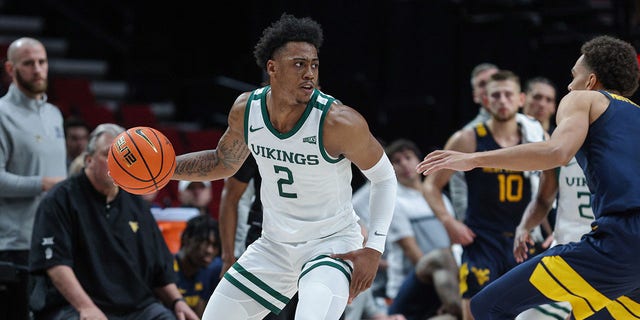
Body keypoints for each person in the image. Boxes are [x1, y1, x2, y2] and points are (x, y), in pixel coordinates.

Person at [171, 13, 397, 320]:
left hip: (331, 246)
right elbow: (222, 162)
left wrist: (374, 248)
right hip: (274, 246)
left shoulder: (338, 122)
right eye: (299, 64)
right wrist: (164, 170)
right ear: (273, 69)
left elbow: (384, 178)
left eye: (314, 64)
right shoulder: (246, 110)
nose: (309, 74)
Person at [416, 35, 640, 320]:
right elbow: (547, 192)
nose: (569, 86)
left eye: (574, 77)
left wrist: (474, 160)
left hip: (618, 244)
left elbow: (556, 151)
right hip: (624, 258)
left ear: (591, 81)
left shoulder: (583, 99)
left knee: (486, 308)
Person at [28, 123, 198, 320]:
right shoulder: (60, 198)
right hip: (76, 305)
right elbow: (56, 265)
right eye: (108, 154)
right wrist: (86, 307)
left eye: (123, 155)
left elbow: (159, 269)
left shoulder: (137, 203)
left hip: (137, 309)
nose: (117, 161)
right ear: (88, 159)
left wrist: (178, 302)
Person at [421, 70, 546, 320]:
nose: (502, 100)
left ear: (521, 99)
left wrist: (554, 227)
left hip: (523, 239)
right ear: (485, 101)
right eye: (495, 95)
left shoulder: (535, 137)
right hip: (482, 240)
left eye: (508, 94)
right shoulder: (467, 139)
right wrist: (448, 221)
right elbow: (431, 185)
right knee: (475, 313)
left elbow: (548, 189)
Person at [0, 37, 67, 320]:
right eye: (28, 63)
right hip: (15, 245)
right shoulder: (2, 113)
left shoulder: (54, 114)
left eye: (42, 62)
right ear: (11, 69)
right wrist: (44, 184)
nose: (38, 69)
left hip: (56, 241)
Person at [218, 154, 298, 320]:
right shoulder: (257, 137)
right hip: (268, 241)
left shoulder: (327, 134)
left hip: (316, 241)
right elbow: (230, 196)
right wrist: (228, 257)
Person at [449, 63, 500, 222]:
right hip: (484, 225)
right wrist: (466, 223)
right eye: (482, 84)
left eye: (494, 80)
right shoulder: (467, 136)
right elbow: (457, 185)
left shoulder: (527, 127)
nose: (489, 87)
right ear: (475, 95)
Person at [174, 214, 223, 318]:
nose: (209, 250)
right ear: (187, 238)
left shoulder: (211, 273)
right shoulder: (166, 267)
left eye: (214, 245)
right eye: (204, 243)